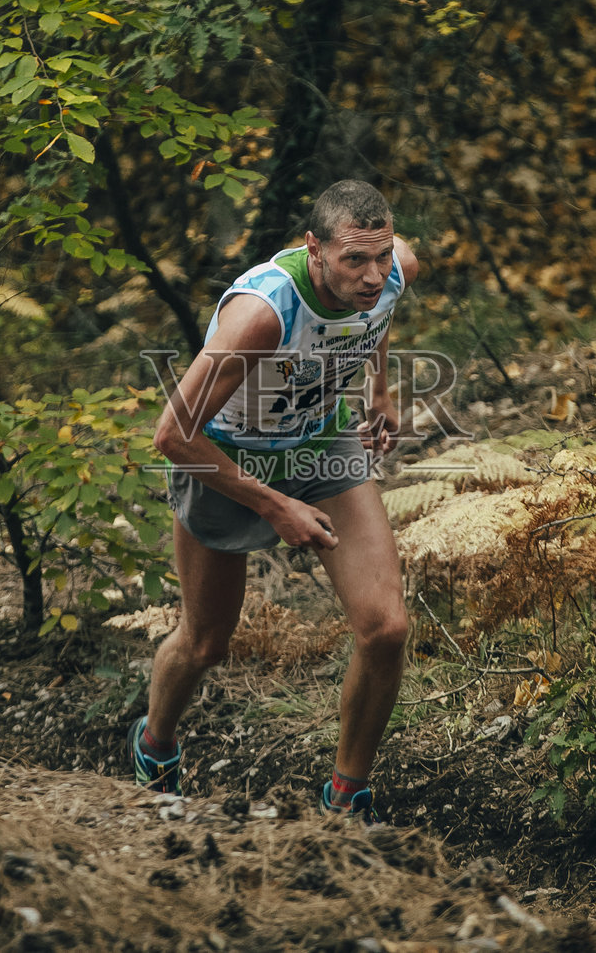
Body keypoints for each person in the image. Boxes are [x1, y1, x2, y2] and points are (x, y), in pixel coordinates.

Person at [131, 179, 417, 819]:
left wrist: (379, 391)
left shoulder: (395, 269)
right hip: (225, 456)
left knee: (386, 628)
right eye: (354, 260)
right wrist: (272, 504)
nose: (373, 276)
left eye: (381, 257)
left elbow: (378, 314)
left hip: (320, 443)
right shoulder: (262, 315)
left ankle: (347, 796)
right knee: (206, 643)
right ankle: (155, 745)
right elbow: (172, 436)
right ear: (313, 248)